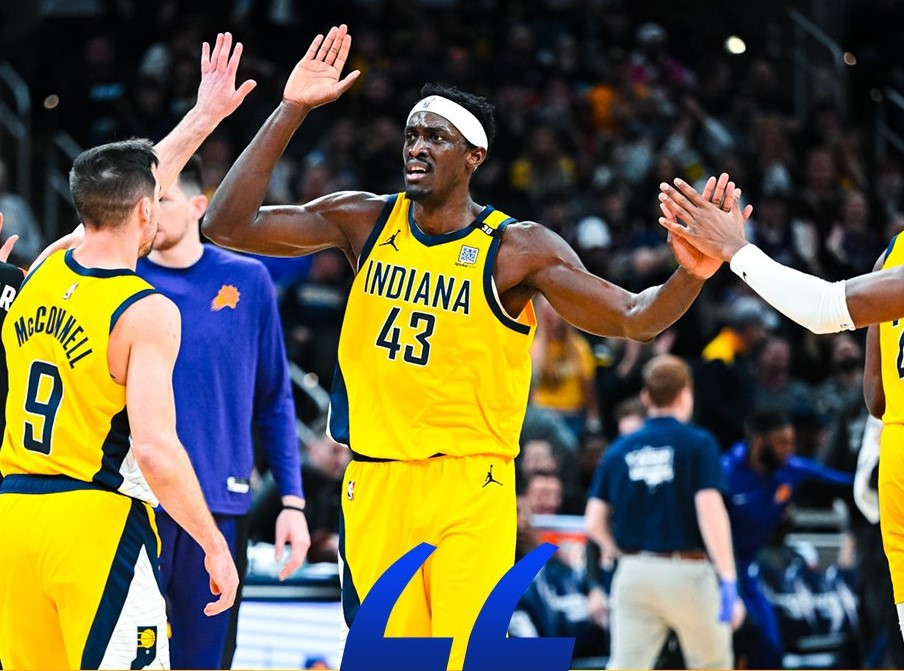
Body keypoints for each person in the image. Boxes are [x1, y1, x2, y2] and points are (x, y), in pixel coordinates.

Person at [202, 25, 723, 669]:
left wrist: (690, 275)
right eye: (411, 135)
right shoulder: (366, 219)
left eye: (435, 137)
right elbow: (224, 225)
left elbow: (636, 318)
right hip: (376, 479)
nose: (416, 147)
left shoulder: (516, 249)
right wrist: (293, 109)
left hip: (469, 483)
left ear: (472, 155)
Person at [0, 32, 253, 669]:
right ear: (147, 211)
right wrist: (212, 545)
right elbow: (156, 450)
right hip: (96, 527)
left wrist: (203, 116)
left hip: (14, 523)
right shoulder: (146, 310)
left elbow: (135, 183)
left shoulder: (45, 271)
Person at [657, 174, 904, 646]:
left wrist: (735, 251)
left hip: (896, 460)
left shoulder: (892, 252)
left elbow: (876, 397)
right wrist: (734, 249)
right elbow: (828, 308)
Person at [135, 156, 310, 669]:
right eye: (143, 207)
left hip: (218, 504)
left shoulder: (248, 278)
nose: (151, 216)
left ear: (197, 207)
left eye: (163, 201)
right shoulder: (121, 279)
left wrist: (293, 502)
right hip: (132, 503)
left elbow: (274, 397)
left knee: (204, 661)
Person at [584, 354, 741, 669]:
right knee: (712, 665)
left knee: (625, 666)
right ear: (686, 394)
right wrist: (728, 577)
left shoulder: (619, 449)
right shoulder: (698, 443)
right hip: (687, 571)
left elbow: (593, 520)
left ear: (645, 397)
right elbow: (709, 511)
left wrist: (614, 549)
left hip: (634, 572)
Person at [721, 407, 853, 668]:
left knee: (770, 648)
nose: (788, 450)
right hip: (717, 567)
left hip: (748, 567)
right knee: (738, 637)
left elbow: (847, 485)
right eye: (781, 443)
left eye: (791, 443)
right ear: (759, 441)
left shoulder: (791, 469)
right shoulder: (724, 471)